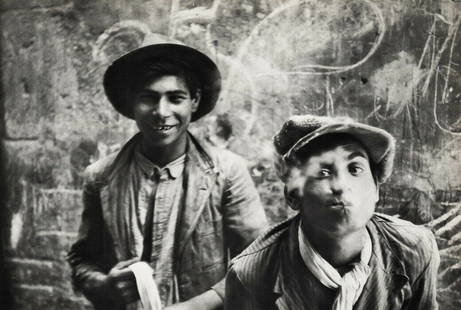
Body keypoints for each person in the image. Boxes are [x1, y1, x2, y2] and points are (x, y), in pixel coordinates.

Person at [67, 43, 268, 310]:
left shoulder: (227, 172)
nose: (161, 112)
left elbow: (261, 263)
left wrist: (197, 306)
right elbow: (81, 261)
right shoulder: (100, 177)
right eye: (148, 98)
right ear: (131, 101)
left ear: (194, 101)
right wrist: (104, 285)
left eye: (175, 98)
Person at [224, 114, 439, 310]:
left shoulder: (415, 250)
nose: (341, 185)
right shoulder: (250, 274)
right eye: (322, 171)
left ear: (376, 189)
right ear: (293, 195)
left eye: (355, 169)